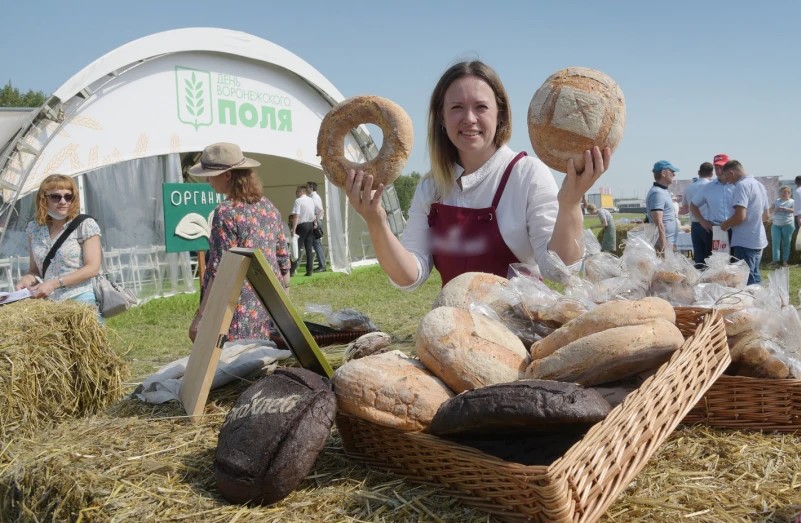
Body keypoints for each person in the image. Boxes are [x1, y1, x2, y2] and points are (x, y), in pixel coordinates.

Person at [343, 60, 610, 289]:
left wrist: (570, 203)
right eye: (457, 107)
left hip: (520, 327)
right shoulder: (431, 187)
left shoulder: (527, 175)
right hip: (455, 327)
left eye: (481, 107)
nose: (469, 118)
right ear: (441, 118)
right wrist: (376, 221)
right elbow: (410, 276)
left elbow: (559, 271)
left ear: (500, 114)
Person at [187, 143, 290, 342]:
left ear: (227, 175)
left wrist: (201, 318)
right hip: (269, 304)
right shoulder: (268, 207)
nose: (207, 180)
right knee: (264, 355)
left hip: (236, 308)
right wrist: (284, 301)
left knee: (235, 359)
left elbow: (219, 270)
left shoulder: (226, 212)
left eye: (210, 175)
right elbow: (283, 260)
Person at [14, 174, 102, 311]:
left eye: (68, 196)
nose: (63, 201)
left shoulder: (85, 225)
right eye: (55, 197)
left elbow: (93, 268)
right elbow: (35, 270)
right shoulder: (34, 228)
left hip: (80, 301)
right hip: (49, 304)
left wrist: (54, 283)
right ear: (43, 199)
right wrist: (26, 280)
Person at [720, 160, 768, 285]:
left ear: (732, 172)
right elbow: (766, 215)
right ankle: (758, 296)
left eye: (727, 178)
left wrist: (725, 224)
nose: (728, 182)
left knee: (745, 279)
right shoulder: (759, 184)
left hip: (745, 240)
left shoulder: (741, 186)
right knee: (754, 274)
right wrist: (754, 223)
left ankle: (751, 297)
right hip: (758, 238)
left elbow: (740, 216)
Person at [690, 154, 735, 265]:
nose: (719, 171)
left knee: (735, 263)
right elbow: (693, 205)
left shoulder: (737, 185)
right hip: (716, 230)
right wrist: (703, 222)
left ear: (729, 167)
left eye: (721, 167)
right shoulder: (708, 187)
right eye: (716, 168)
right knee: (715, 264)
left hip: (735, 229)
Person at [683, 162, 714, 268]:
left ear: (698, 172)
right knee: (710, 257)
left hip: (695, 225)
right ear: (712, 173)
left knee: (698, 257)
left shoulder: (689, 187)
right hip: (709, 224)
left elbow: (685, 205)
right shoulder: (712, 186)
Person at [646, 160, 680, 253]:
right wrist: (663, 248)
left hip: (669, 243)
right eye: (672, 171)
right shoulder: (658, 193)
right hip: (664, 245)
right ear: (664, 173)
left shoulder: (662, 191)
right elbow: (658, 222)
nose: (674, 175)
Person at [289, 185, 317, 277]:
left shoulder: (298, 201)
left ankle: (292, 270)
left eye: (297, 192)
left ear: (301, 192)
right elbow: (314, 212)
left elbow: (296, 215)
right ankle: (310, 270)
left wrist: (293, 228)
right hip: (310, 224)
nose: (296, 193)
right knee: (308, 248)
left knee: (296, 247)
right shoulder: (311, 200)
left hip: (302, 225)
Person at [770, 185, 795, 267]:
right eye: (781, 192)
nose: (783, 194)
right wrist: (775, 209)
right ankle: (775, 260)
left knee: (786, 243)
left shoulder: (792, 201)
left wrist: (785, 209)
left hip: (788, 224)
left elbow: (795, 210)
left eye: (785, 192)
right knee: (775, 243)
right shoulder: (776, 201)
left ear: (789, 193)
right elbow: (770, 210)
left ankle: (785, 261)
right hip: (776, 225)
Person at [306, 181, 326, 272]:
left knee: (317, 244)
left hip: (316, 222)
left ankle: (322, 266)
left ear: (311, 188)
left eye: (307, 187)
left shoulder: (314, 197)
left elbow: (321, 210)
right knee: (316, 244)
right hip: (315, 221)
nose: (306, 189)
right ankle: (321, 265)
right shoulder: (312, 197)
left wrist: (316, 221)